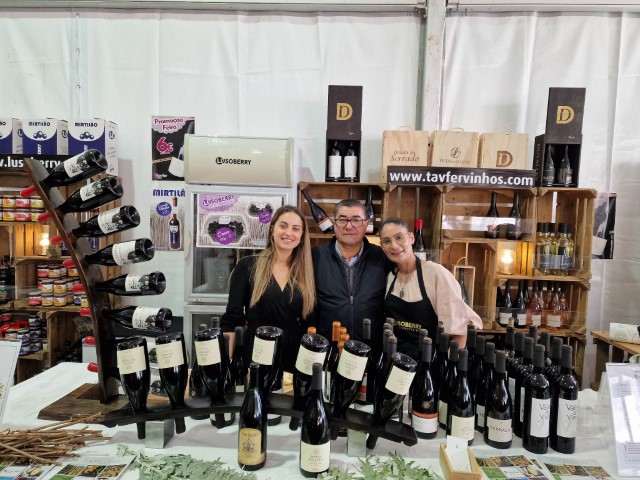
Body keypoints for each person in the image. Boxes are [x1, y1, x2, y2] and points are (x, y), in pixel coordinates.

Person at [220, 205, 315, 373]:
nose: (288, 233)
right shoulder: (247, 266)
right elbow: (232, 320)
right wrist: (227, 364)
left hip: (293, 353)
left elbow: (310, 321)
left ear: (301, 236)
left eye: (295, 229)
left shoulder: (307, 272)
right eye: (283, 226)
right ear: (272, 229)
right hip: (257, 349)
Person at [378, 216, 482, 360]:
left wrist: (447, 365)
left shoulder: (435, 274)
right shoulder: (389, 276)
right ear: (382, 246)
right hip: (396, 362)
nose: (394, 246)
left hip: (429, 364)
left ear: (411, 238)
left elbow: (460, 331)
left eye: (399, 237)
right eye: (387, 241)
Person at [312, 199, 388, 354]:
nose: (349, 226)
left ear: (366, 225)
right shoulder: (315, 256)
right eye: (342, 220)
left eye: (356, 220)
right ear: (334, 224)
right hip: (328, 350)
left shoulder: (382, 257)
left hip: (370, 350)